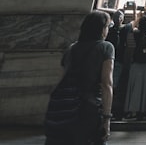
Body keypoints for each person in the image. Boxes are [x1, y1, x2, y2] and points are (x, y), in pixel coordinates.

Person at [45, 10, 115, 145]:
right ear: (100, 28)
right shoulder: (106, 47)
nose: (107, 30)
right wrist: (107, 119)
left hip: (63, 106)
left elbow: (61, 79)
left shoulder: (71, 48)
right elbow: (107, 84)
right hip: (88, 107)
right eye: (107, 26)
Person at [123, 4, 146, 120]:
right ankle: (144, 112)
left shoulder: (134, 33)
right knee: (145, 87)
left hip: (136, 63)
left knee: (134, 88)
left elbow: (132, 24)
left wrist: (137, 14)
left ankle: (132, 111)